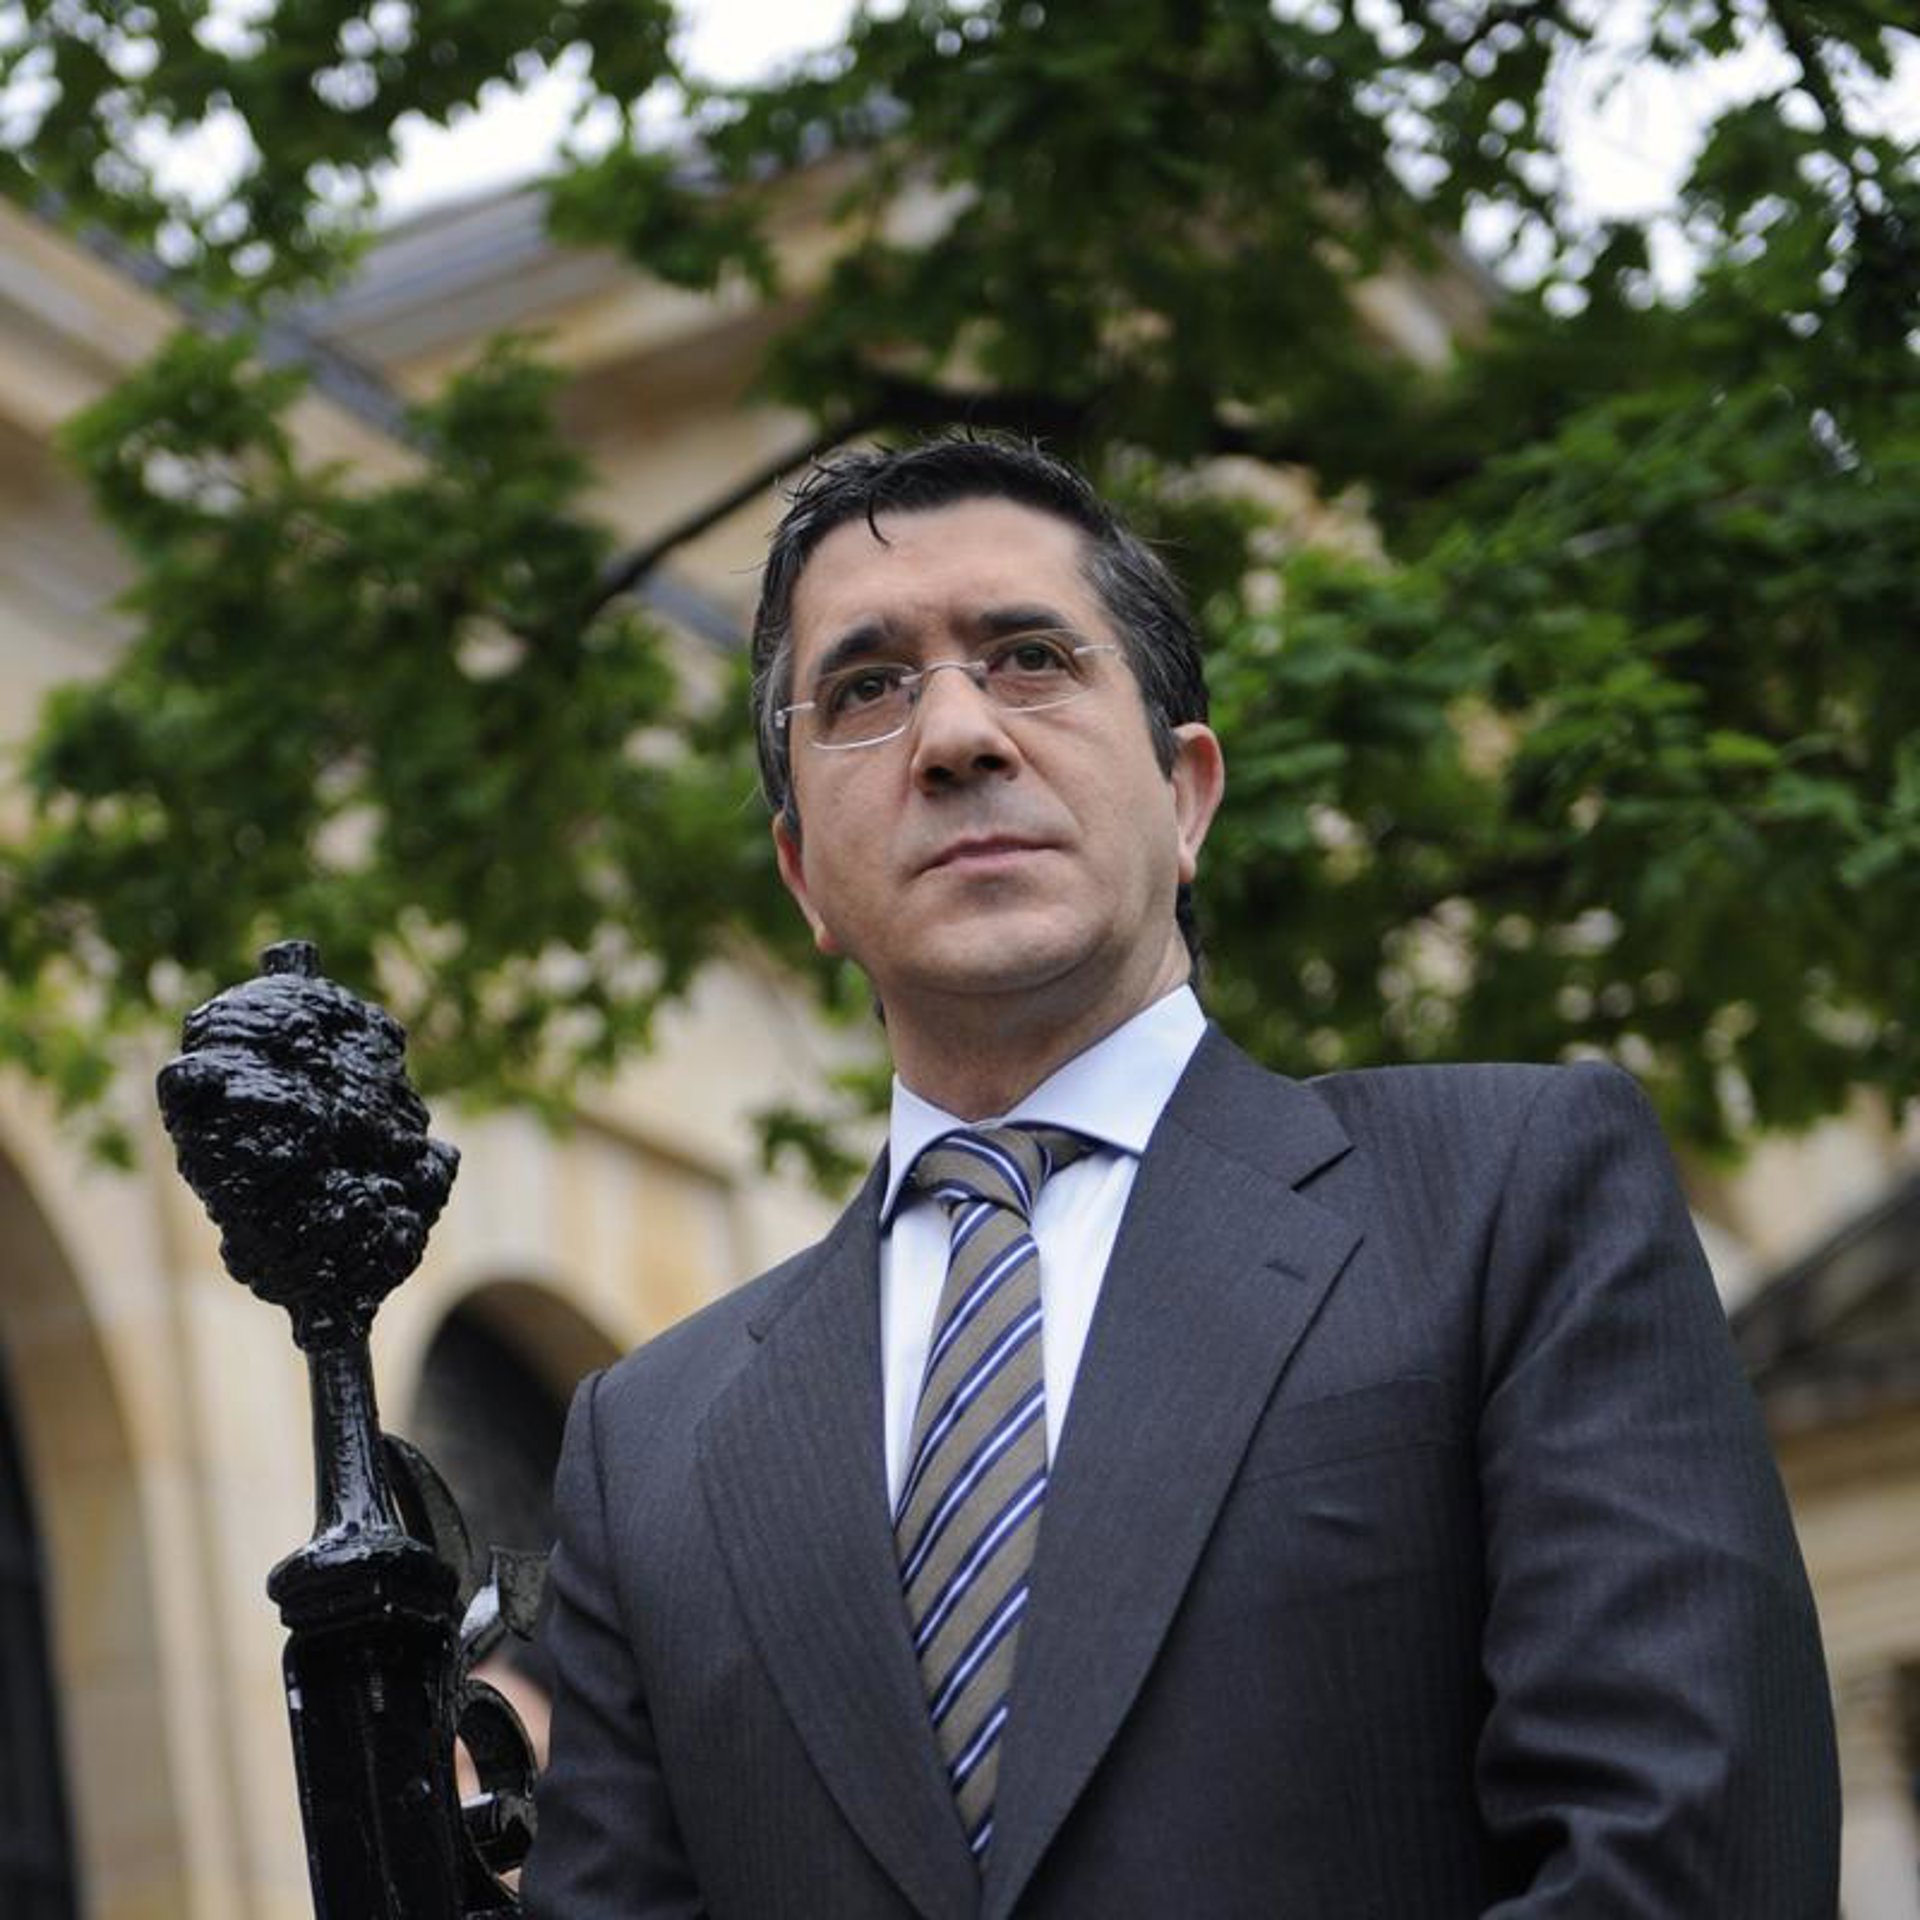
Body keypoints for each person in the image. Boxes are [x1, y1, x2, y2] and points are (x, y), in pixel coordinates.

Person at [521, 436, 1839, 1918]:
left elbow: (1682, 1852)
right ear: (802, 875)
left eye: (1030, 658)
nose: (954, 735)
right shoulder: (651, 1442)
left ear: (1187, 793)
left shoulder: (1508, 1197)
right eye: (867, 689)